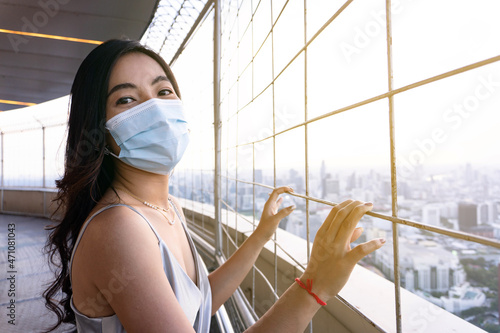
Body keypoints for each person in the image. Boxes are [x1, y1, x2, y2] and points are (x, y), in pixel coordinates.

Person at [44, 39, 385, 333]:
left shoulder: (167, 207)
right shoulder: (119, 229)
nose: (157, 110)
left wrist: (261, 236)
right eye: (127, 101)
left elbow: (195, 305)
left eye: (164, 92)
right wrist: (316, 284)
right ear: (97, 130)